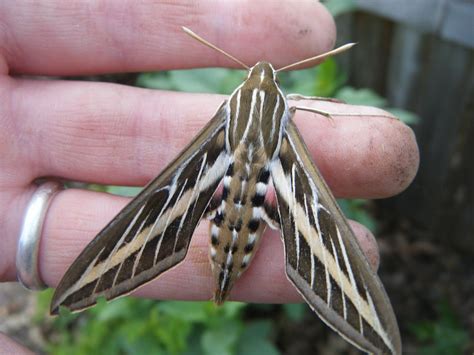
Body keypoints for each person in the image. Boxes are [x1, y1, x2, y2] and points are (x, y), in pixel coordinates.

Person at [0, 1, 419, 352]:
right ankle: (368, 322)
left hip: (228, 211)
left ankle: (95, 277)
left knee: (152, 210)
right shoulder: (286, 121)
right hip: (259, 202)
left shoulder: (226, 119)